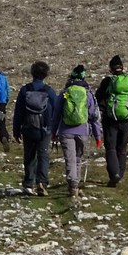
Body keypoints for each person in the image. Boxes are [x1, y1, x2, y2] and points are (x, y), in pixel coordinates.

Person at [52, 65, 102, 198]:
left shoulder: (65, 92)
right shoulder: (88, 93)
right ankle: (76, 184)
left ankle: (72, 185)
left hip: (65, 131)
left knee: (70, 159)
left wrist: (53, 132)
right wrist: (97, 135)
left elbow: (56, 113)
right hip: (83, 131)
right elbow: (94, 116)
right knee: (78, 159)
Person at [95, 55, 128, 187]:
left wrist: (102, 111)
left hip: (110, 120)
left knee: (111, 148)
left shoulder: (107, 82)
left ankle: (114, 174)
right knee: (122, 149)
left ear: (110, 69)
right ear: (122, 67)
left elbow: (97, 98)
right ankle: (120, 175)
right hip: (127, 120)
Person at [13, 61, 57, 196]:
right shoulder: (49, 91)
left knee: (29, 156)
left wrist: (16, 130)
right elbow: (56, 111)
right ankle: (42, 183)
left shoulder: (25, 90)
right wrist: (56, 130)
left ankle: (28, 183)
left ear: (32, 73)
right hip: (45, 129)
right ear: (46, 74)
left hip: (28, 128)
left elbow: (18, 111)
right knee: (43, 155)